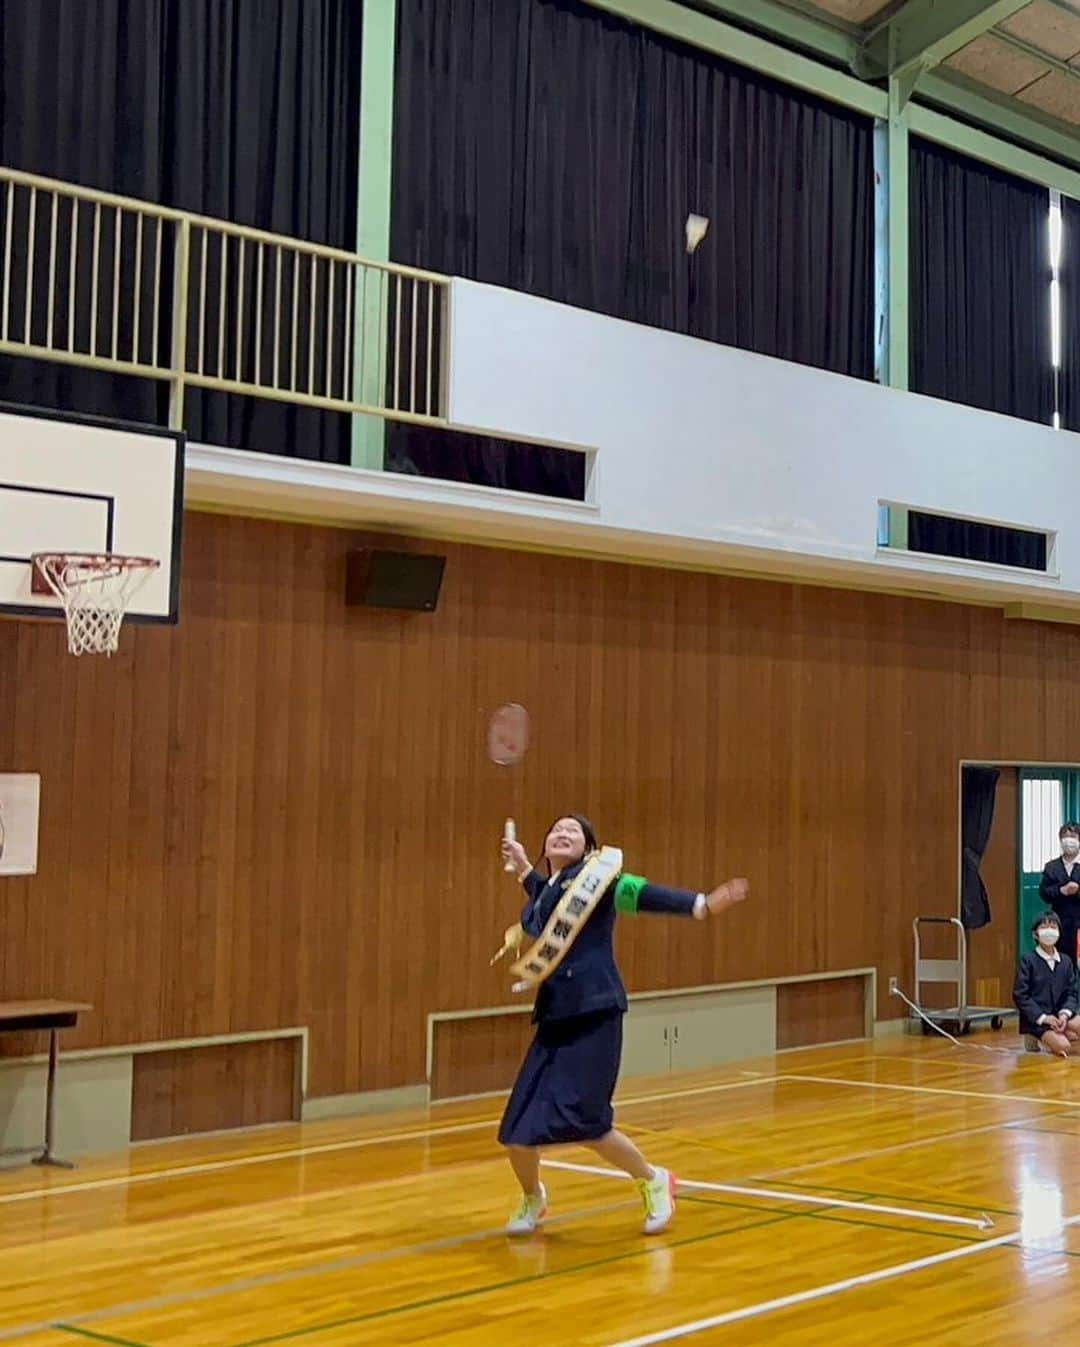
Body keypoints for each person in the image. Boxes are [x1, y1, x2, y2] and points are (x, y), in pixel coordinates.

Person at [497, 813, 749, 1237]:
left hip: (595, 1013)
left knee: (588, 1122)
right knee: (517, 1130)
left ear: (589, 849)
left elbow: (639, 892)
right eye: (555, 830)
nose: (561, 833)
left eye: (572, 831)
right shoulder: (550, 891)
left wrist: (699, 905)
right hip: (555, 1017)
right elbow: (547, 901)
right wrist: (523, 868)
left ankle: (653, 1180)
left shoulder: (600, 883)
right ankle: (533, 1196)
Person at [1013, 911, 1080, 1057]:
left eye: (1053, 926)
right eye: (1044, 927)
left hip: (1060, 1016)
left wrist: (1064, 1014)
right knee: (1064, 1048)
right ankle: (1033, 1035)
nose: (1049, 930)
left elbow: (1072, 993)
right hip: (1037, 1018)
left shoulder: (1066, 961)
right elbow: (1020, 995)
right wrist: (1043, 1018)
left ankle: (1064, 1030)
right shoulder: (1027, 960)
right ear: (1035, 934)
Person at [1039, 823, 1080, 967]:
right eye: (1065, 836)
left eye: (1073, 836)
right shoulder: (1052, 867)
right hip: (1060, 924)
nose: (1069, 840)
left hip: (1079, 924)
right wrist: (1061, 890)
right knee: (1061, 966)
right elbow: (1044, 892)